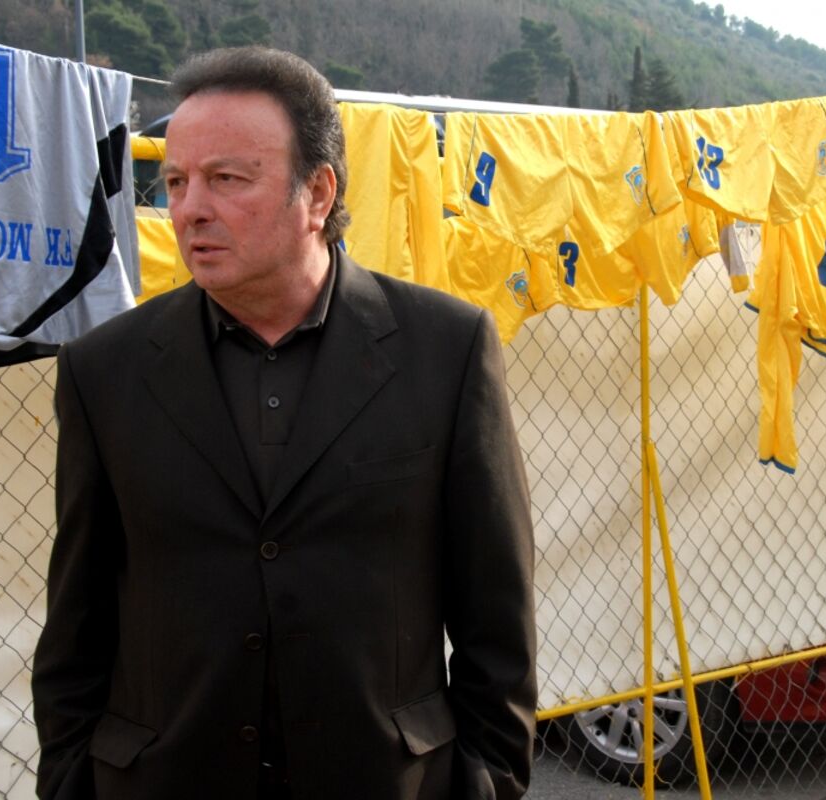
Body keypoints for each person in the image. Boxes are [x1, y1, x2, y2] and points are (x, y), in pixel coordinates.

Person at [31, 46, 537, 800]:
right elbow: (77, 621)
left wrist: (486, 783)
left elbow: (497, 614)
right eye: (177, 182)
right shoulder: (104, 370)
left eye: (227, 179)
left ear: (318, 193)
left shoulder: (445, 349)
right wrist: (72, 780)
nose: (189, 209)